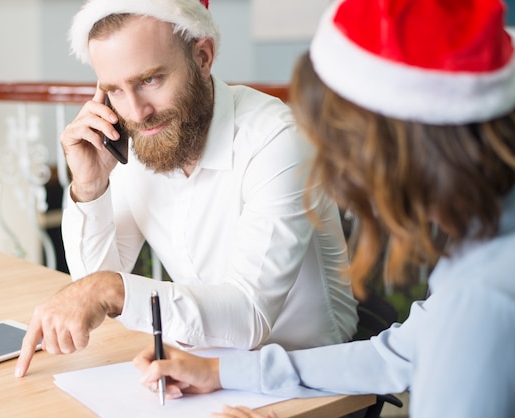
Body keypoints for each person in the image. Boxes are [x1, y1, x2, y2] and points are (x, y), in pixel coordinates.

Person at [133, 0, 515, 417]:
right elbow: (397, 356)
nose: (334, 172)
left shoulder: (479, 299)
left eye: (339, 140)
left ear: (401, 144)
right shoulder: (484, 242)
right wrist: (221, 372)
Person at [15, 0, 359, 377]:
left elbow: (250, 315)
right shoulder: (140, 144)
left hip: (312, 381)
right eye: (114, 90)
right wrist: (90, 187)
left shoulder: (277, 140)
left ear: (203, 57)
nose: (136, 112)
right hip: (206, 371)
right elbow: (93, 288)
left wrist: (112, 290)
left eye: (150, 80)